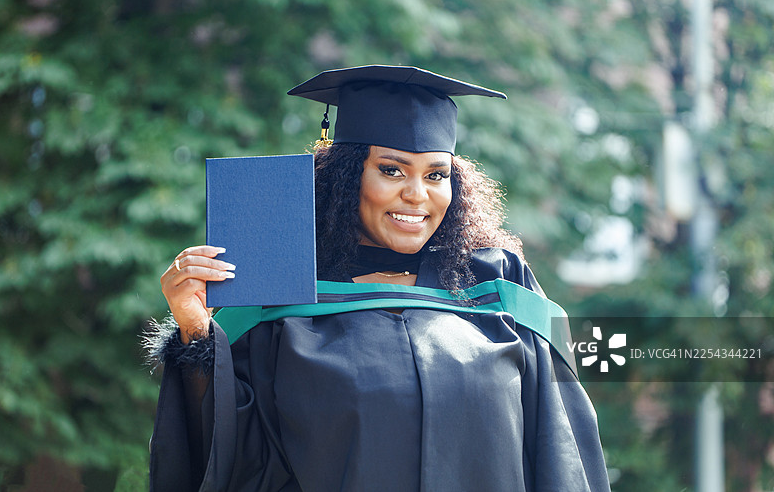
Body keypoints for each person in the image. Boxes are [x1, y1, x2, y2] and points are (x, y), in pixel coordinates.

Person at [147, 65, 611, 492]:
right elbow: (234, 455)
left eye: (436, 174)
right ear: (349, 177)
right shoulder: (282, 293)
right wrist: (194, 328)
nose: (416, 194)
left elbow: (561, 450)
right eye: (391, 170)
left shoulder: (500, 285)